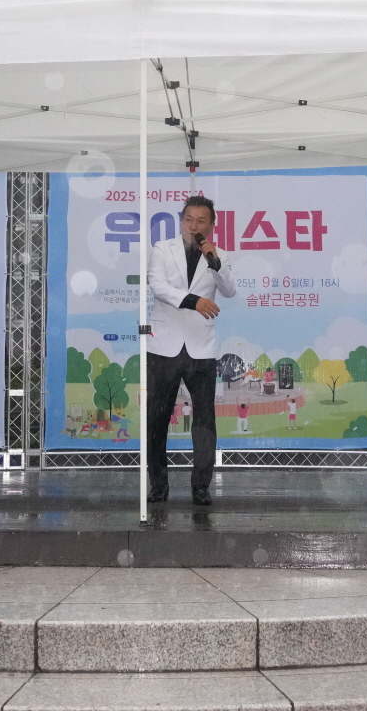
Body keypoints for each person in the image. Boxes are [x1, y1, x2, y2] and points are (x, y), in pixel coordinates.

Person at [145, 195, 236, 506]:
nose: (193, 226)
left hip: (202, 347)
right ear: (181, 220)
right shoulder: (162, 249)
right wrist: (194, 301)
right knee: (157, 418)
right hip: (163, 346)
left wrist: (216, 263)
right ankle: (158, 485)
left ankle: (201, 486)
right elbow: (158, 286)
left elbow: (229, 290)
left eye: (201, 221)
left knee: (204, 421)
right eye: (188, 220)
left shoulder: (218, 255)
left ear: (212, 225)